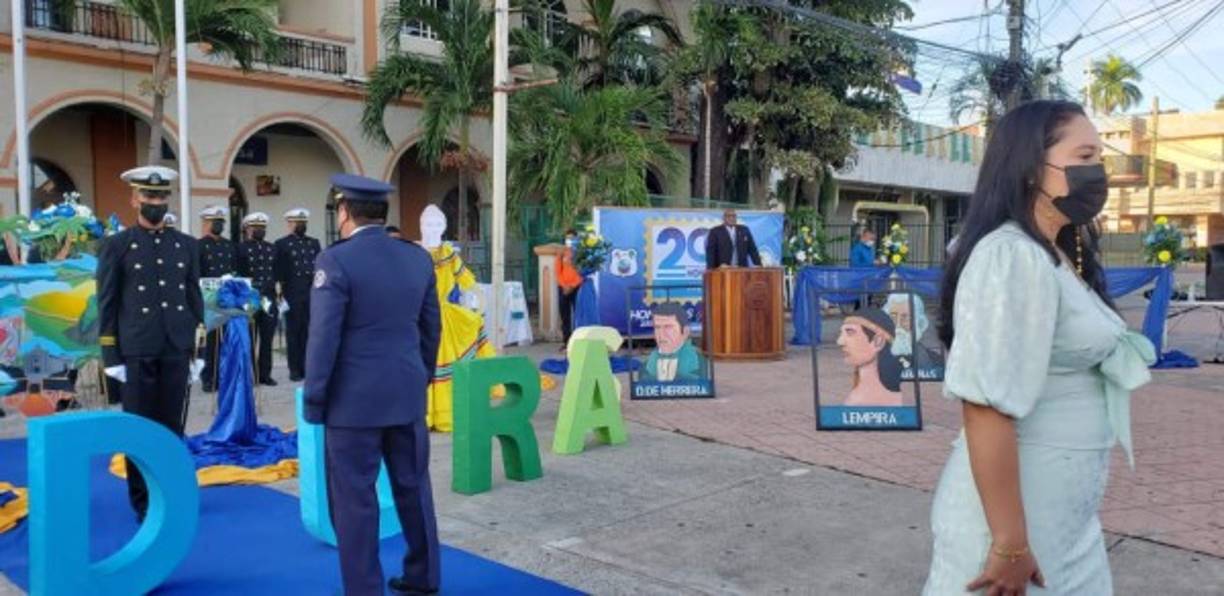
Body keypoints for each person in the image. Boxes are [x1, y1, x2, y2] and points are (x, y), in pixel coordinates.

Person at [924, 101, 1155, 595]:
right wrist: (1010, 543)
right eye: (1085, 156)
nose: (1098, 172)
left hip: (1063, 517)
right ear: (1031, 166)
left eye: (1100, 159)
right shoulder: (1011, 256)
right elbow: (985, 405)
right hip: (1013, 528)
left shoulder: (1058, 252)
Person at [304, 173, 441, 596]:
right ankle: (424, 577)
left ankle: (364, 588)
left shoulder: (336, 261)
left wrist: (315, 399)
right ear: (383, 213)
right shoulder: (417, 258)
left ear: (345, 212)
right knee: (414, 488)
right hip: (406, 394)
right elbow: (430, 329)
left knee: (355, 500)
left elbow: (323, 339)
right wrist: (419, 378)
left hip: (353, 404)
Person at [96, 165, 204, 521]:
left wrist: (199, 350)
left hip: (176, 348)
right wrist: (111, 354)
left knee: (172, 428)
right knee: (139, 431)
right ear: (134, 199)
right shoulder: (117, 245)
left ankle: (170, 493)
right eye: (147, 196)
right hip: (137, 349)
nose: (154, 202)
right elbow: (107, 303)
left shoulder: (186, 245)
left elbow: (194, 299)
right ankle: (143, 503)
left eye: (160, 196)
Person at [418, 204, 495, 432]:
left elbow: (465, 279)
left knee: (446, 360)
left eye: (438, 224)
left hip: (446, 315)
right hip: (421, 315)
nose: (433, 228)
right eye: (429, 224)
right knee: (422, 363)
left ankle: (445, 412)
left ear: (444, 227)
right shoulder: (415, 252)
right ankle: (423, 413)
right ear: (421, 226)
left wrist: (479, 298)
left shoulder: (449, 253)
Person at [274, 207, 321, 383]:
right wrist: (279, 294)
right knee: (293, 333)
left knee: (309, 332)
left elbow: (319, 269)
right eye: (297, 222)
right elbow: (278, 272)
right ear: (289, 224)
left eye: (303, 222)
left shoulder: (313, 243)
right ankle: (294, 369)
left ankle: (307, 367)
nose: (301, 225)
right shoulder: (282, 244)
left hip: (311, 294)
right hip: (292, 294)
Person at [236, 212, 278, 386]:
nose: (259, 230)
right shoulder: (240, 248)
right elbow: (237, 274)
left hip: (268, 298)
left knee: (267, 339)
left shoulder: (271, 248)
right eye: (256, 227)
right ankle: (249, 374)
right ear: (247, 229)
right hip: (249, 298)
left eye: (262, 227)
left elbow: (276, 272)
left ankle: (265, 374)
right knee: (249, 339)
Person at [198, 205, 236, 393]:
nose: (219, 225)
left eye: (221, 222)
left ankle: (224, 376)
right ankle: (208, 378)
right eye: (215, 222)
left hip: (226, 299)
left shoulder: (229, 245)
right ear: (205, 223)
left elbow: (234, 270)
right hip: (208, 300)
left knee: (227, 340)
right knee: (210, 342)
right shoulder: (198, 245)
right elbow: (195, 274)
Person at [836, 308, 904, 407]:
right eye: (842, 333)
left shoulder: (860, 400)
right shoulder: (856, 397)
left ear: (878, 341)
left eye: (850, 332)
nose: (840, 341)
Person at [884, 293, 942, 379]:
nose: (898, 325)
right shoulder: (872, 360)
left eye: (905, 318)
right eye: (892, 318)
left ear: (920, 323)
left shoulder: (936, 362)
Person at [642, 302, 704, 382]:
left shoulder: (697, 363)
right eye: (657, 327)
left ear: (685, 331)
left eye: (668, 327)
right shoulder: (647, 365)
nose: (661, 334)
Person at [556, 229, 583, 349]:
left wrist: (573, 285)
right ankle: (566, 342)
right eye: (567, 238)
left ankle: (578, 342)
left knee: (578, 315)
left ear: (577, 239)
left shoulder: (581, 254)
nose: (570, 241)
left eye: (572, 238)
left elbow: (582, 273)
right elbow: (558, 271)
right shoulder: (562, 253)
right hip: (563, 288)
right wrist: (564, 285)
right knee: (564, 316)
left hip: (577, 288)